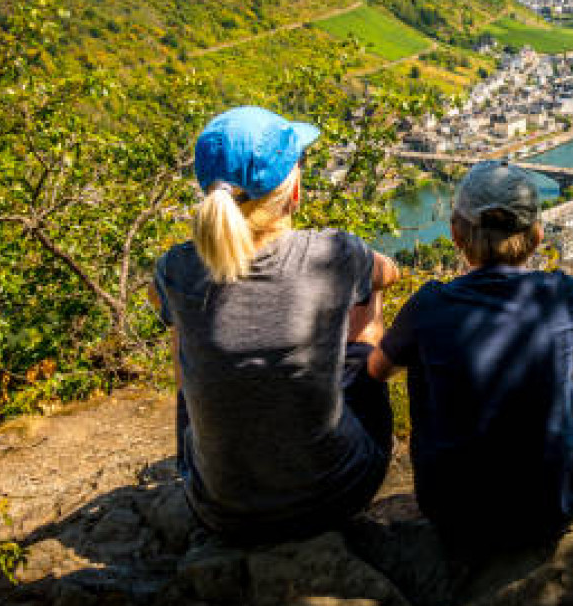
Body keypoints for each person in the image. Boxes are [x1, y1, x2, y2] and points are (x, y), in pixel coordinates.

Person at [151, 106, 399, 544]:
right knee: (366, 303)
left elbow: (158, 299)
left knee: (183, 330)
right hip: (336, 496)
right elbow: (388, 272)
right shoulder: (332, 254)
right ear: (294, 190)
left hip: (219, 510)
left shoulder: (176, 269)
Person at [368, 160, 573, 553]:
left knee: (422, 351)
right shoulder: (558, 293)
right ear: (537, 235)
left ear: (456, 235)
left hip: (450, 512)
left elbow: (377, 369)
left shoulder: (430, 304)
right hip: (552, 508)